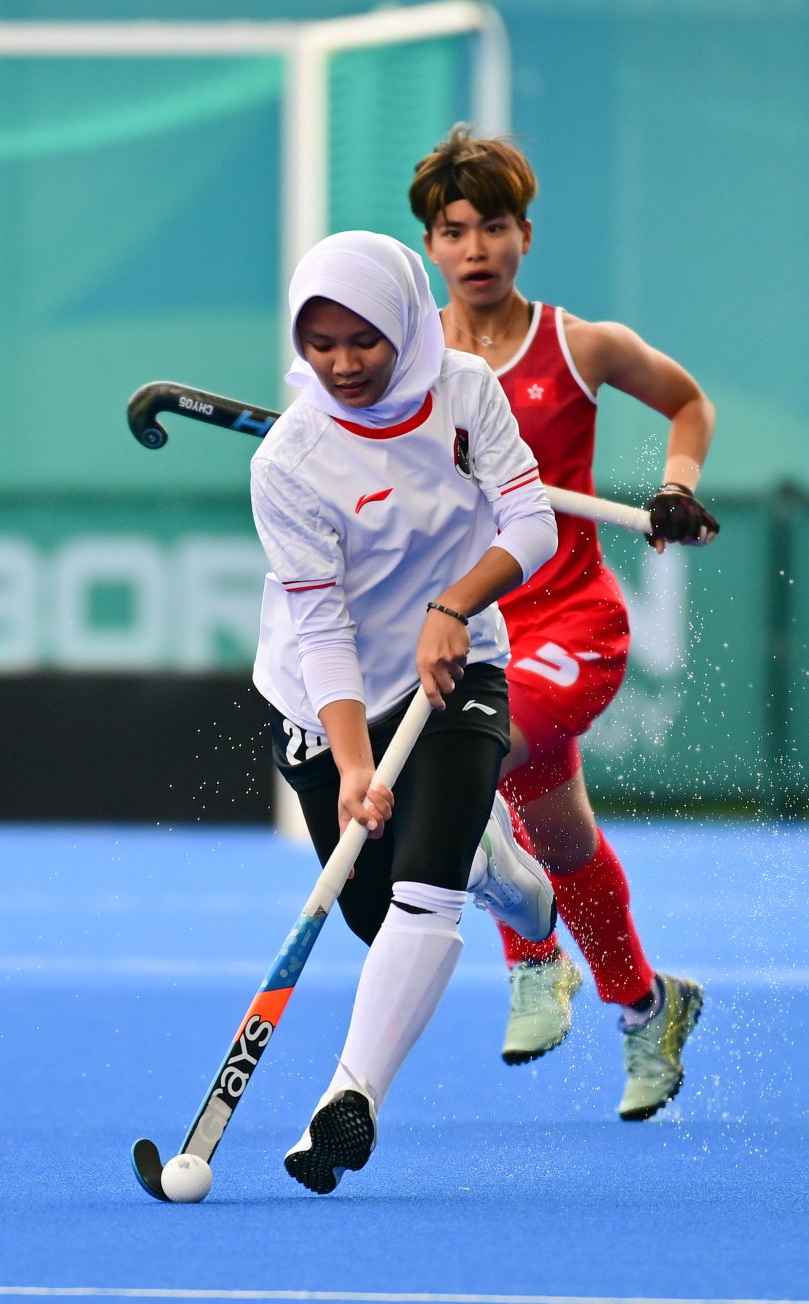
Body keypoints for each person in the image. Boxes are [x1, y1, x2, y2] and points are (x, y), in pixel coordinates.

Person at [410, 125, 718, 1120]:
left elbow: (687, 404)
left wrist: (675, 485)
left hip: (572, 622)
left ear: (524, 235)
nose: (473, 249)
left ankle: (532, 952)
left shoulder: (580, 346)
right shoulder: (405, 360)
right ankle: (645, 1005)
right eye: (452, 231)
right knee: (558, 834)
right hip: (474, 628)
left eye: (491, 227)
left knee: (470, 760)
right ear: (428, 247)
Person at [254, 231, 561, 1194]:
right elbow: (320, 627)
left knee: (423, 890)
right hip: (327, 694)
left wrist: (455, 605)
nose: (342, 365)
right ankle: (497, 863)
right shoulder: (287, 463)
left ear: (406, 326)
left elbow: (532, 522)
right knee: (373, 913)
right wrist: (351, 764)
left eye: (365, 340)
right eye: (321, 344)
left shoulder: (465, 391)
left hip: (459, 664)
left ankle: (347, 1101)